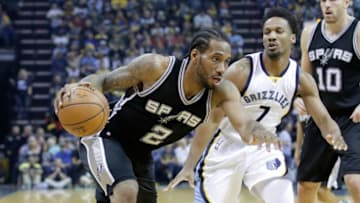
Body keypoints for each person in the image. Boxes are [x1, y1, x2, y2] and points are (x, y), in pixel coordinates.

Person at [54, 28, 280, 203]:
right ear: (195, 55)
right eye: (216, 59)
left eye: (226, 61)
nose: (222, 68)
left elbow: (244, 124)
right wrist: (79, 88)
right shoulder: (156, 68)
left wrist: (260, 131)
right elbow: (103, 80)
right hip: (106, 135)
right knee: (126, 191)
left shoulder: (222, 92)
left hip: (141, 154)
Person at [164, 8, 347, 203]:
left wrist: (337, 137)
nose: (272, 36)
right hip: (226, 146)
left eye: (279, 31)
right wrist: (189, 165)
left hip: (264, 148)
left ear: (293, 38)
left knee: (283, 198)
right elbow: (211, 120)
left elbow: (324, 120)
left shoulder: (301, 80)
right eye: (267, 32)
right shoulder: (241, 71)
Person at [296, 0, 360, 202]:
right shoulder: (309, 32)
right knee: (306, 185)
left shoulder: (357, 31)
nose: (327, 5)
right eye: (323, 0)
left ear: (347, 2)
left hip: (352, 117)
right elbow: (304, 77)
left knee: (354, 180)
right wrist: (300, 97)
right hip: (321, 116)